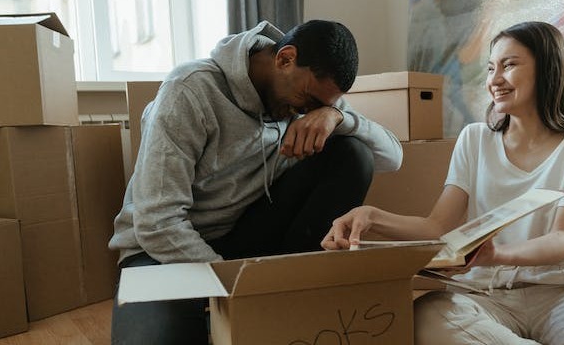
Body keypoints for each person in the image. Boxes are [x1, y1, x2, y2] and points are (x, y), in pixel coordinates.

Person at [322, 21, 564, 345]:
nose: (495, 80)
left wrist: (498, 254)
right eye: (491, 68)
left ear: (548, 69)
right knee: (426, 317)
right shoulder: (474, 139)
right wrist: (371, 216)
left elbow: (562, 241)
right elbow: (437, 227)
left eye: (509, 65)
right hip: (482, 293)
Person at [109, 20, 402, 344]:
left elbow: (392, 157)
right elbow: (156, 221)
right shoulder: (189, 90)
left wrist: (337, 117)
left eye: (320, 106)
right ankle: (221, 308)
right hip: (160, 249)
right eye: (308, 100)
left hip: (242, 233)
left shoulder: (311, 98)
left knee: (354, 154)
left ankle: (291, 292)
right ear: (285, 59)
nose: (307, 112)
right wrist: (230, 285)